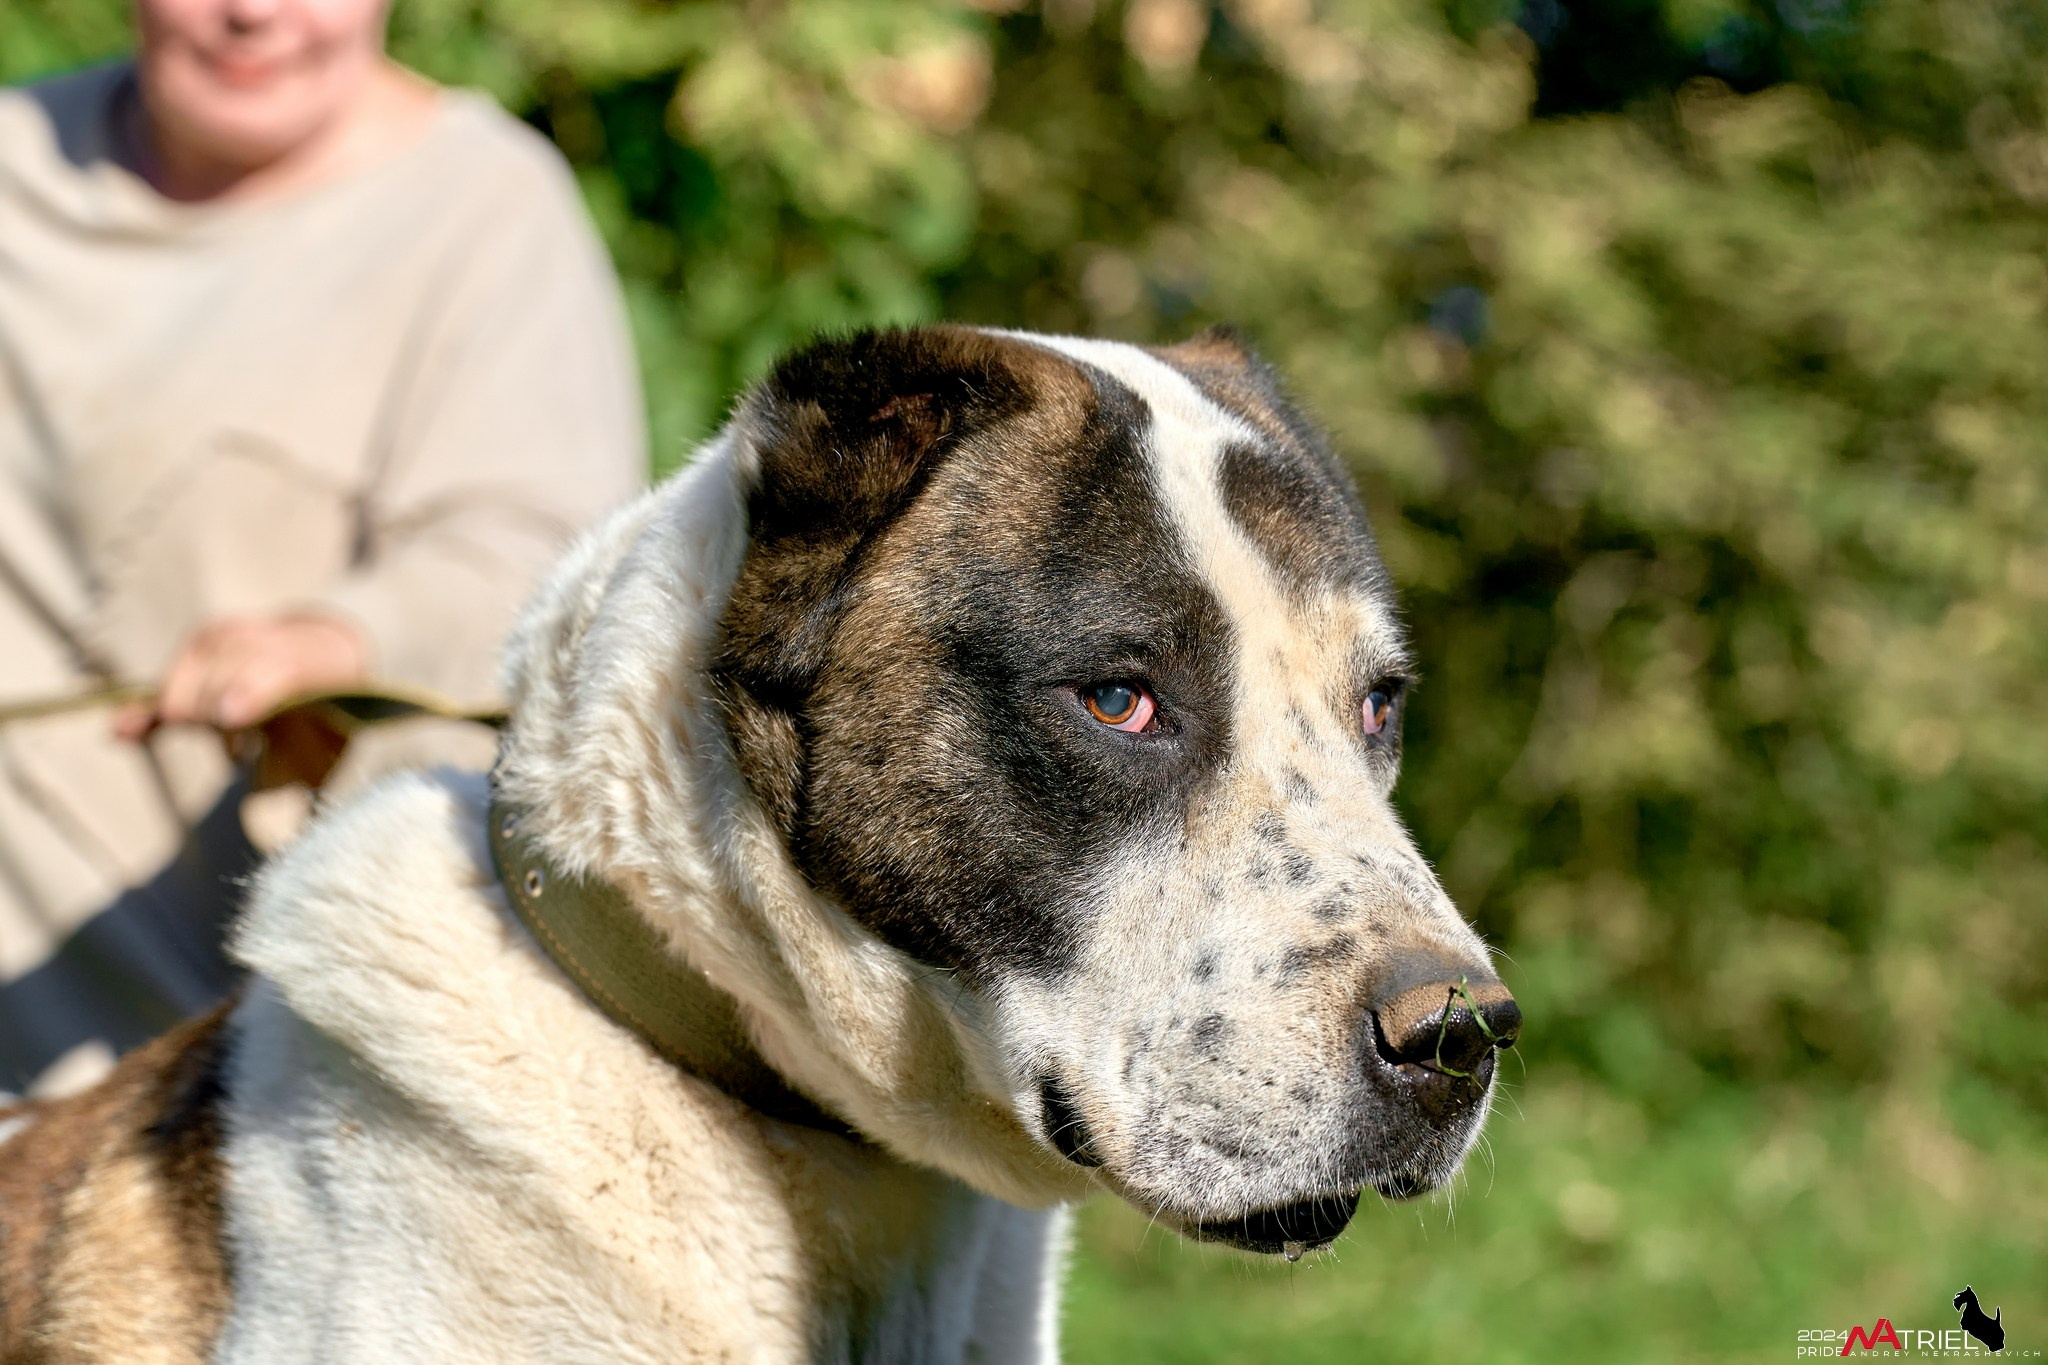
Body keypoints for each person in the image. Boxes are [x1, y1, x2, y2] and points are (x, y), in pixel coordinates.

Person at [0, 0, 646, 1096]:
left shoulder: (483, 210)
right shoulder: (19, 158)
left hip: (245, 1046)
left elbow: (544, 562)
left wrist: (339, 640)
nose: (255, 12)